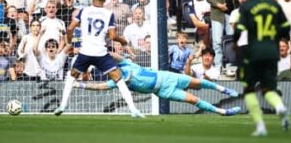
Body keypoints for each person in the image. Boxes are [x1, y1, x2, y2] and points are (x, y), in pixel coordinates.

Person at [54, 0, 144, 118]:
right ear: (103, 0)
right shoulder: (108, 14)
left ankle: (62, 105)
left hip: (85, 52)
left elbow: (70, 28)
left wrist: (69, 42)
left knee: (71, 76)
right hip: (101, 53)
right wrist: (123, 41)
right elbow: (113, 36)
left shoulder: (83, 11)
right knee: (119, 79)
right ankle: (133, 110)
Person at [74, 51, 241, 116]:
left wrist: (100, 53)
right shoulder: (117, 81)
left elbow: (115, 55)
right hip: (162, 91)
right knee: (193, 100)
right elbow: (100, 87)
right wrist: (80, 85)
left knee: (198, 82)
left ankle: (223, 88)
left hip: (167, 77)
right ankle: (222, 111)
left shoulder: (124, 64)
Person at [234, 0, 291, 136]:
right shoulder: (274, 4)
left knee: (249, 90)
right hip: (272, 52)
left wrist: (236, 44)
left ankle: (260, 126)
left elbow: (239, 29)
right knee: (269, 89)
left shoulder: (247, 5)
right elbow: (286, 28)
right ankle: (280, 106)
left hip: (253, 52)